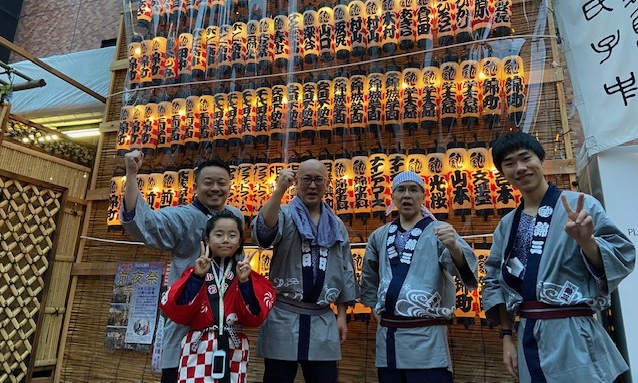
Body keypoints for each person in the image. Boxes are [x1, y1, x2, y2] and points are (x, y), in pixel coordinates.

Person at [482, 132, 636, 383]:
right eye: (509, 163)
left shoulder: (581, 205)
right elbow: (493, 280)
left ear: (541, 159)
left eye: (526, 158)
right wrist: (507, 337)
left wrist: (587, 241)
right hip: (528, 334)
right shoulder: (507, 224)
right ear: (502, 172)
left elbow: (621, 255)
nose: (520, 168)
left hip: (574, 333)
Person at [121, 150, 244, 383]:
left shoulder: (236, 216)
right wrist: (131, 173)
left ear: (230, 186)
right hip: (186, 326)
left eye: (221, 183)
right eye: (208, 183)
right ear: (195, 187)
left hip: (224, 327)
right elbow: (145, 223)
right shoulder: (181, 217)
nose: (215, 188)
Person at [361, 170, 479, 383]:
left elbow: (465, 273)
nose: (407, 195)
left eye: (414, 189)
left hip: (427, 336)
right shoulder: (378, 235)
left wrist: (454, 247)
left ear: (423, 196)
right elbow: (369, 278)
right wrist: (374, 309)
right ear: (393, 196)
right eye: (401, 190)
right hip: (389, 335)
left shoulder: (440, 230)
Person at [251, 159, 358, 383]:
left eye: (318, 180)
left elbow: (346, 269)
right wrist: (279, 190)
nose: (312, 186)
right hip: (283, 317)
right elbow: (264, 233)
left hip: (322, 318)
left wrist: (341, 315)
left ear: (326, 184)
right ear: (297, 182)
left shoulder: (336, 225)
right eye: (306, 179)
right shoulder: (284, 215)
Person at [160, 210, 275, 383]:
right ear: (207, 240)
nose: (226, 240)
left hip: (233, 347)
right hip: (198, 346)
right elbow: (176, 310)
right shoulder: (194, 272)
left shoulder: (247, 276)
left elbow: (254, 317)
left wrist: (244, 282)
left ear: (240, 242)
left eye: (232, 235)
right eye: (219, 234)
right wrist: (197, 277)